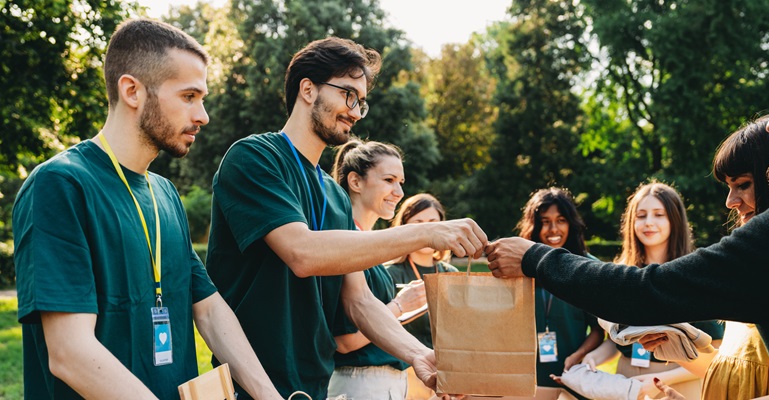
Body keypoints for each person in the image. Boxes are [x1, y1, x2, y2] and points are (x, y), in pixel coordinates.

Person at [483, 64, 769, 399]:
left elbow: (644, 290)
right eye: (641, 215)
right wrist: (678, 350)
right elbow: (738, 368)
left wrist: (534, 258)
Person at [204, 36, 487, 399]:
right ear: (308, 89)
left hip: (314, 387)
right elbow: (302, 253)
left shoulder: (335, 195)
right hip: (248, 386)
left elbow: (359, 301)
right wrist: (425, 233)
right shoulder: (255, 157)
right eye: (348, 95)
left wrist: (420, 354)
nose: (355, 111)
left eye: (362, 102)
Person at [12, 19, 281, 400]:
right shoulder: (59, 184)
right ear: (132, 91)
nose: (203, 115)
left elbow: (208, 310)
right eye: (189, 97)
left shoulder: (165, 194)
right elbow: (70, 354)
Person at [643, 117, 769, 399]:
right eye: (728, 187)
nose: (730, 201)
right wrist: (674, 347)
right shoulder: (749, 262)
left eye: (742, 184)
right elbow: (735, 368)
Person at [577, 182, 723, 399]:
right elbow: (618, 339)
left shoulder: (693, 275)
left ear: (674, 220)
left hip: (676, 385)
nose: (649, 223)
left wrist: (661, 381)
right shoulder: (621, 274)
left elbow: (716, 353)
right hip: (625, 383)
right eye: (641, 215)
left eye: (658, 214)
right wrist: (593, 358)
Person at [326, 139, 427, 398]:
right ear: (355, 182)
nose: (399, 192)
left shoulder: (367, 244)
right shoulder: (343, 238)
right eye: (389, 180)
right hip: (359, 383)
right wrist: (400, 305)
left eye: (400, 183)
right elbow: (345, 341)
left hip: (387, 384)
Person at [508, 188, 603, 400]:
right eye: (545, 221)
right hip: (523, 382)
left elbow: (599, 329)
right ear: (534, 225)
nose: (553, 229)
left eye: (561, 220)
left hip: (571, 379)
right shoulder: (518, 268)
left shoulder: (588, 268)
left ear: (571, 223)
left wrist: (579, 356)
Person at [384, 193, 460, 399]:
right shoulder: (389, 273)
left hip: (448, 375)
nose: (426, 229)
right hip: (405, 375)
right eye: (418, 223)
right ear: (404, 227)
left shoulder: (452, 274)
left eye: (432, 222)